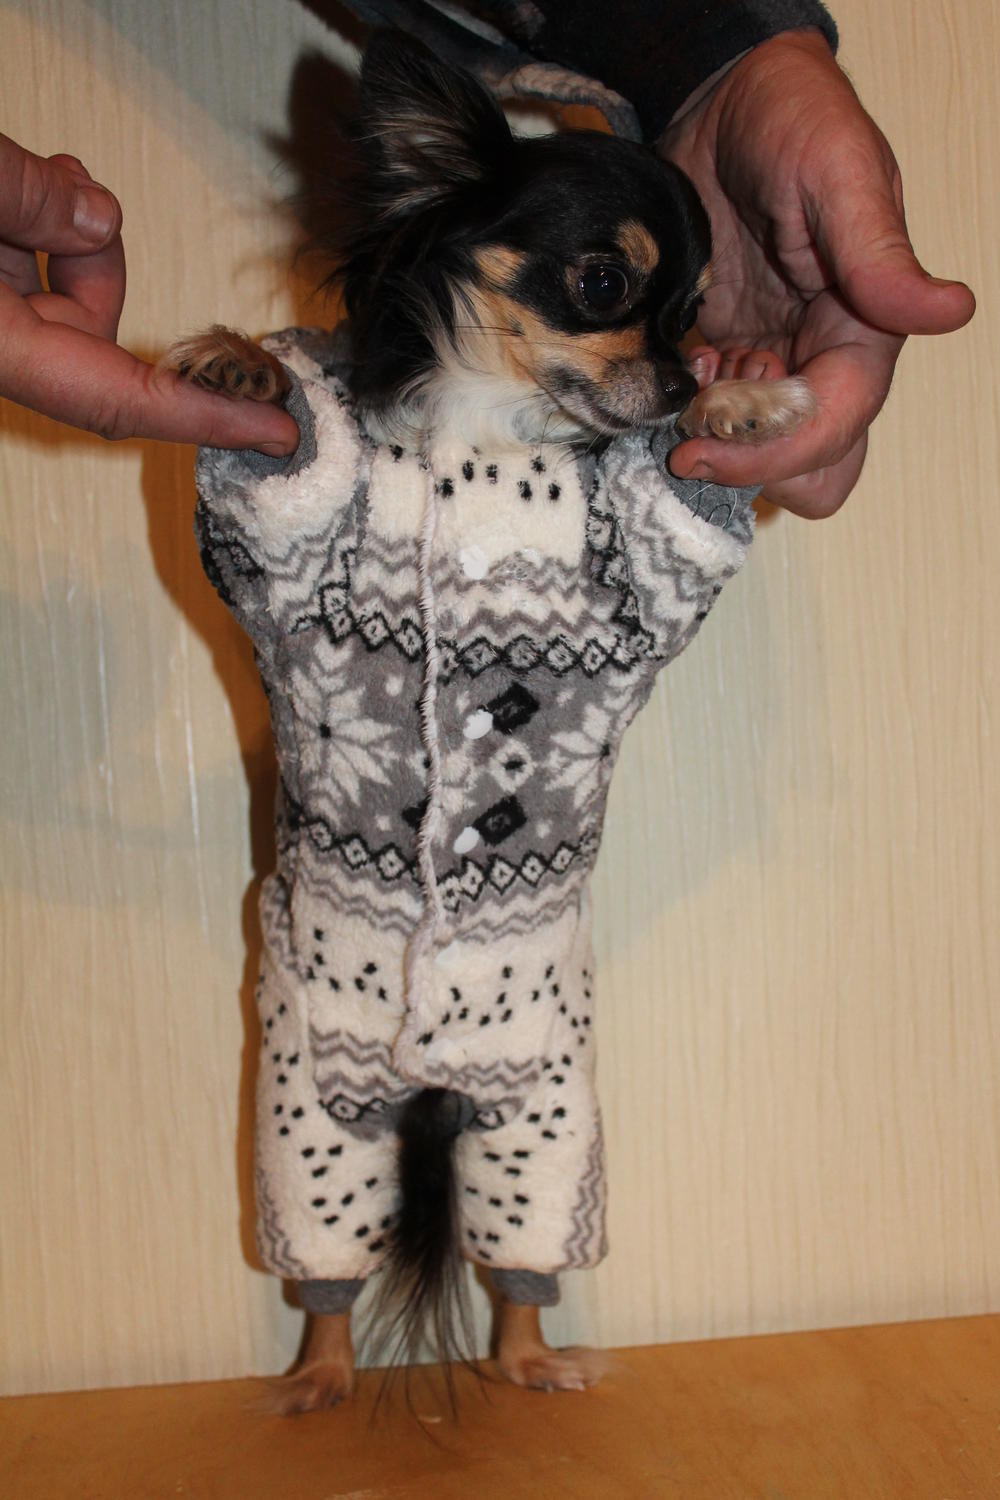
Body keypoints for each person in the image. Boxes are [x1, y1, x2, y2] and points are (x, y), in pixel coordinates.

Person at [0, 11, 975, 514]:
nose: (670, 359)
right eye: (603, 286)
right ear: (438, 198)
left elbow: (669, 540)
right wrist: (271, 396)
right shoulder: (334, 425)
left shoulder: (625, 462)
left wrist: (713, 442)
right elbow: (263, 517)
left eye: (678, 320)